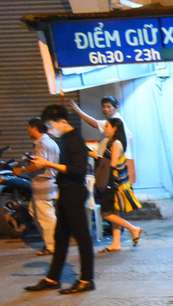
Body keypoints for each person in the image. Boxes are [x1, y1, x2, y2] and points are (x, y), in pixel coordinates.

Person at [24, 104, 95, 294]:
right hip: (65, 191)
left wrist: (47, 163)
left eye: (52, 126)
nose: (51, 130)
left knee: (82, 237)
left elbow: (78, 170)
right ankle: (52, 278)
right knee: (60, 237)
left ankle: (87, 279)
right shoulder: (64, 139)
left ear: (63, 121)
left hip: (74, 191)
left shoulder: (74, 139)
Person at [92, 117, 142, 252]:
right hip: (115, 183)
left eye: (107, 126)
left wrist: (96, 157)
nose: (105, 129)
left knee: (106, 213)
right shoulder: (114, 142)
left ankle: (133, 229)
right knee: (114, 213)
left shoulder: (115, 144)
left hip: (112, 183)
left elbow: (112, 164)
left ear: (114, 128)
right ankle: (116, 243)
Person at [13, 117, 59, 255]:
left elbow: (40, 164)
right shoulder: (50, 141)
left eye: (28, 128)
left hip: (43, 183)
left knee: (46, 215)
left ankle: (52, 245)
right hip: (48, 182)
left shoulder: (42, 143)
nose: (28, 131)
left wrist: (22, 170)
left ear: (34, 128)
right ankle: (50, 241)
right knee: (35, 211)